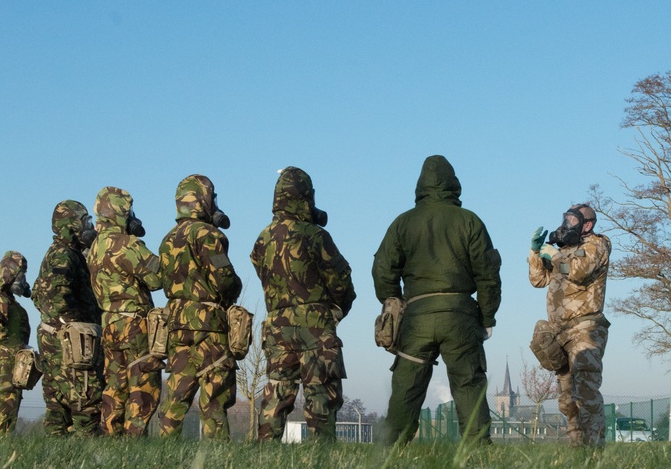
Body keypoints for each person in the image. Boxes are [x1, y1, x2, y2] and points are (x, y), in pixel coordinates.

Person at [372, 155, 501, 445]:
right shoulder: (469, 221)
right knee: (468, 381)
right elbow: (488, 274)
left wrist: (393, 300)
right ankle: (477, 449)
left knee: (407, 382)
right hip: (460, 315)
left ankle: (391, 448)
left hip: (417, 316)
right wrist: (487, 317)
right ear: (454, 184)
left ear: (420, 185)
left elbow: (382, 269)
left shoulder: (403, 223)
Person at [251, 167, 355, 440]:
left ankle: (265, 451)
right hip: (315, 324)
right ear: (306, 197)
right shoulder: (315, 235)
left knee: (277, 390)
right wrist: (337, 309)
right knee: (321, 391)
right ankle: (322, 452)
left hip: (276, 325)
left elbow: (262, 274)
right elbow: (341, 280)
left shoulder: (262, 239)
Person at [156, 175, 242, 438]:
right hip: (210, 327)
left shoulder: (167, 239)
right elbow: (224, 277)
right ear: (203, 200)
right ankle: (218, 460)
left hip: (178, 326)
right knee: (214, 398)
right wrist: (234, 290)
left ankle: (163, 450)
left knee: (176, 395)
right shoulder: (208, 234)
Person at [528, 202, 610, 447]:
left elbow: (579, 271)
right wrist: (535, 254)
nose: (567, 225)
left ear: (588, 224)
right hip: (560, 332)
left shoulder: (597, 244)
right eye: (566, 219)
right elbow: (538, 279)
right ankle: (578, 447)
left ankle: (594, 450)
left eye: (573, 220)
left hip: (585, 328)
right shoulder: (565, 249)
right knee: (567, 398)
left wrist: (556, 256)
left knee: (586, 392)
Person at [88, 186, 163, 435]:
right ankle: (134, 441)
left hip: (109, 323)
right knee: (143, 383)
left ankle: (110, 436)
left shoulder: (94, 249)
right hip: (134, 325)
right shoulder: (127, 245)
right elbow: (156, 278)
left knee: (114, 384)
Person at [32, 200, 103, 436]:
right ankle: (88, 451)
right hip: (69, 341)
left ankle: (56, 454)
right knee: (85, 395)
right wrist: (73, 324)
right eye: (85, 222)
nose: (89, 227)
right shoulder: (64, 256)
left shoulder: (63, 253)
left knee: (57, 401)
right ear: (71, 225)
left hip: (55, 338)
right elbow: (56, 294)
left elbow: (36, 293)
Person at [0, 251, 32, 433]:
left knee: (10, 410)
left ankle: (4, 448)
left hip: (13, 365)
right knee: (2, 410)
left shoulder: (9, 301)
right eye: (19, 273)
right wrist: (18, 346)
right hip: (1, 365)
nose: (22, 278)